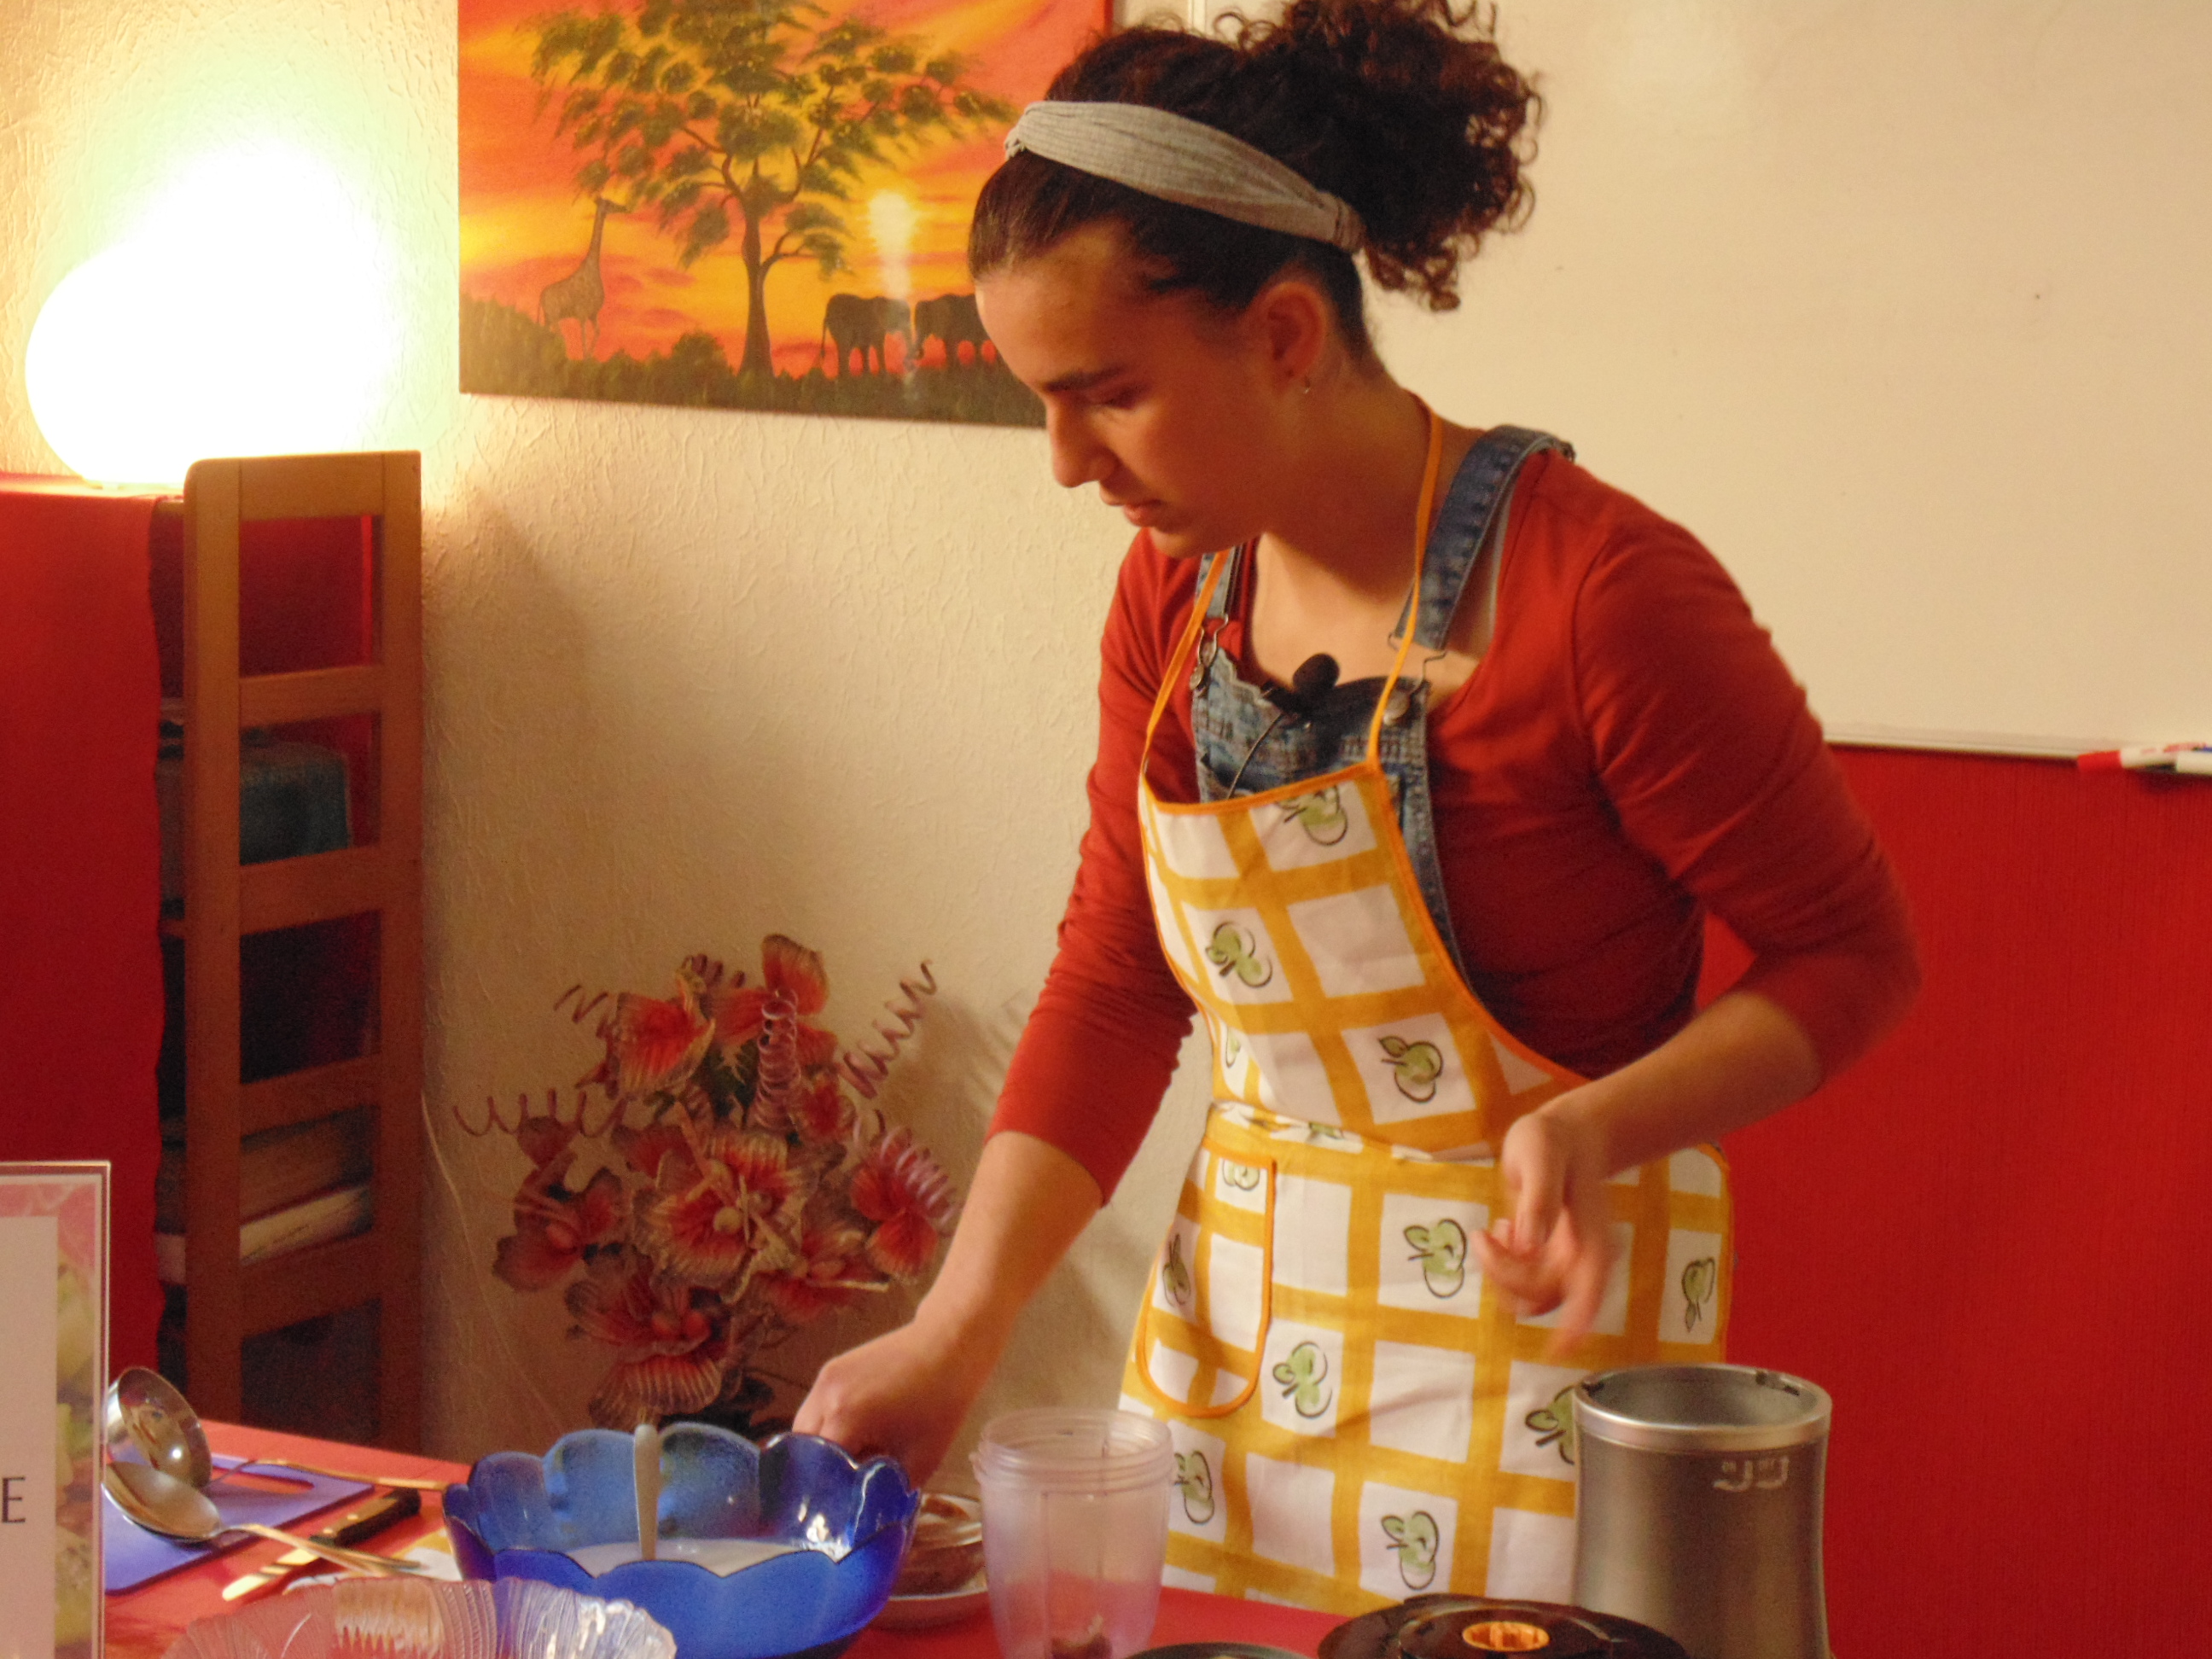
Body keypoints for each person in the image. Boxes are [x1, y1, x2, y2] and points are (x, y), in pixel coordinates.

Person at [797, 0, 1919, 1614]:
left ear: (1283, 336)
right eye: (1039, 398)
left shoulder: (1603, 601)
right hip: (1239, 1365)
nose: (1064, 460)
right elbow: (1119, 981)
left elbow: (1858, 956)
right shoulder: (1177, 596)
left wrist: (1599, 1126)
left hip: (1538, 1376)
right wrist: (954, 1335)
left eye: (1106, 392)